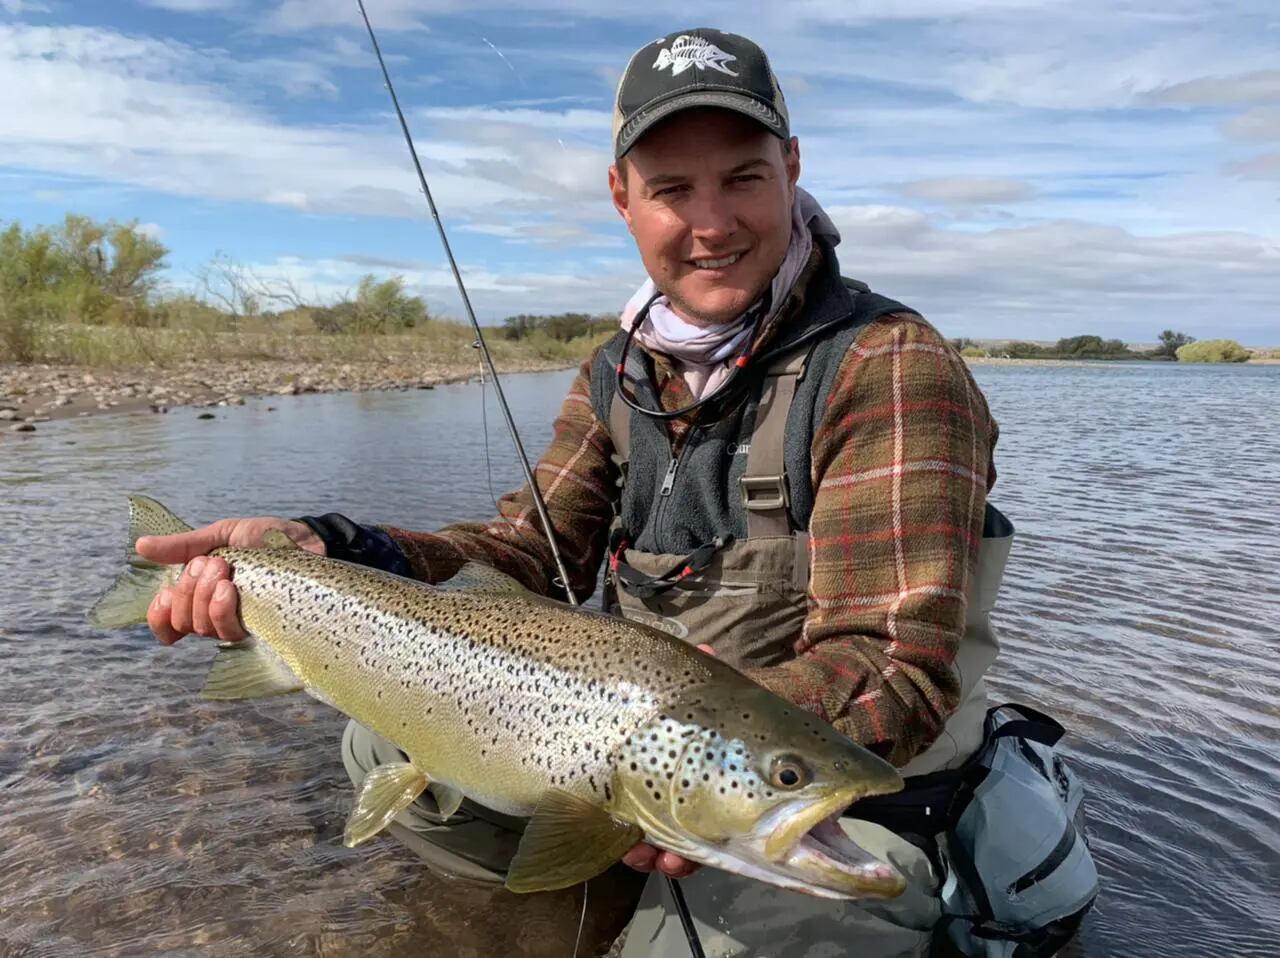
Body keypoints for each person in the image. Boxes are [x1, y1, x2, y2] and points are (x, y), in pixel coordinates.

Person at [138, 28, 1092, 957]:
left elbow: (892, 661)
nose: (711, 223)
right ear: (622, 199)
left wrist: (667, 773)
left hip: (846, 788)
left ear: (793, 169)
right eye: (672, 189)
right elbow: (520, 557)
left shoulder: (888, 367)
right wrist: (330, 548)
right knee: (382, 750)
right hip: (645, 760)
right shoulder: (619, 371)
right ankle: (598, 882)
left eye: (743, 179)